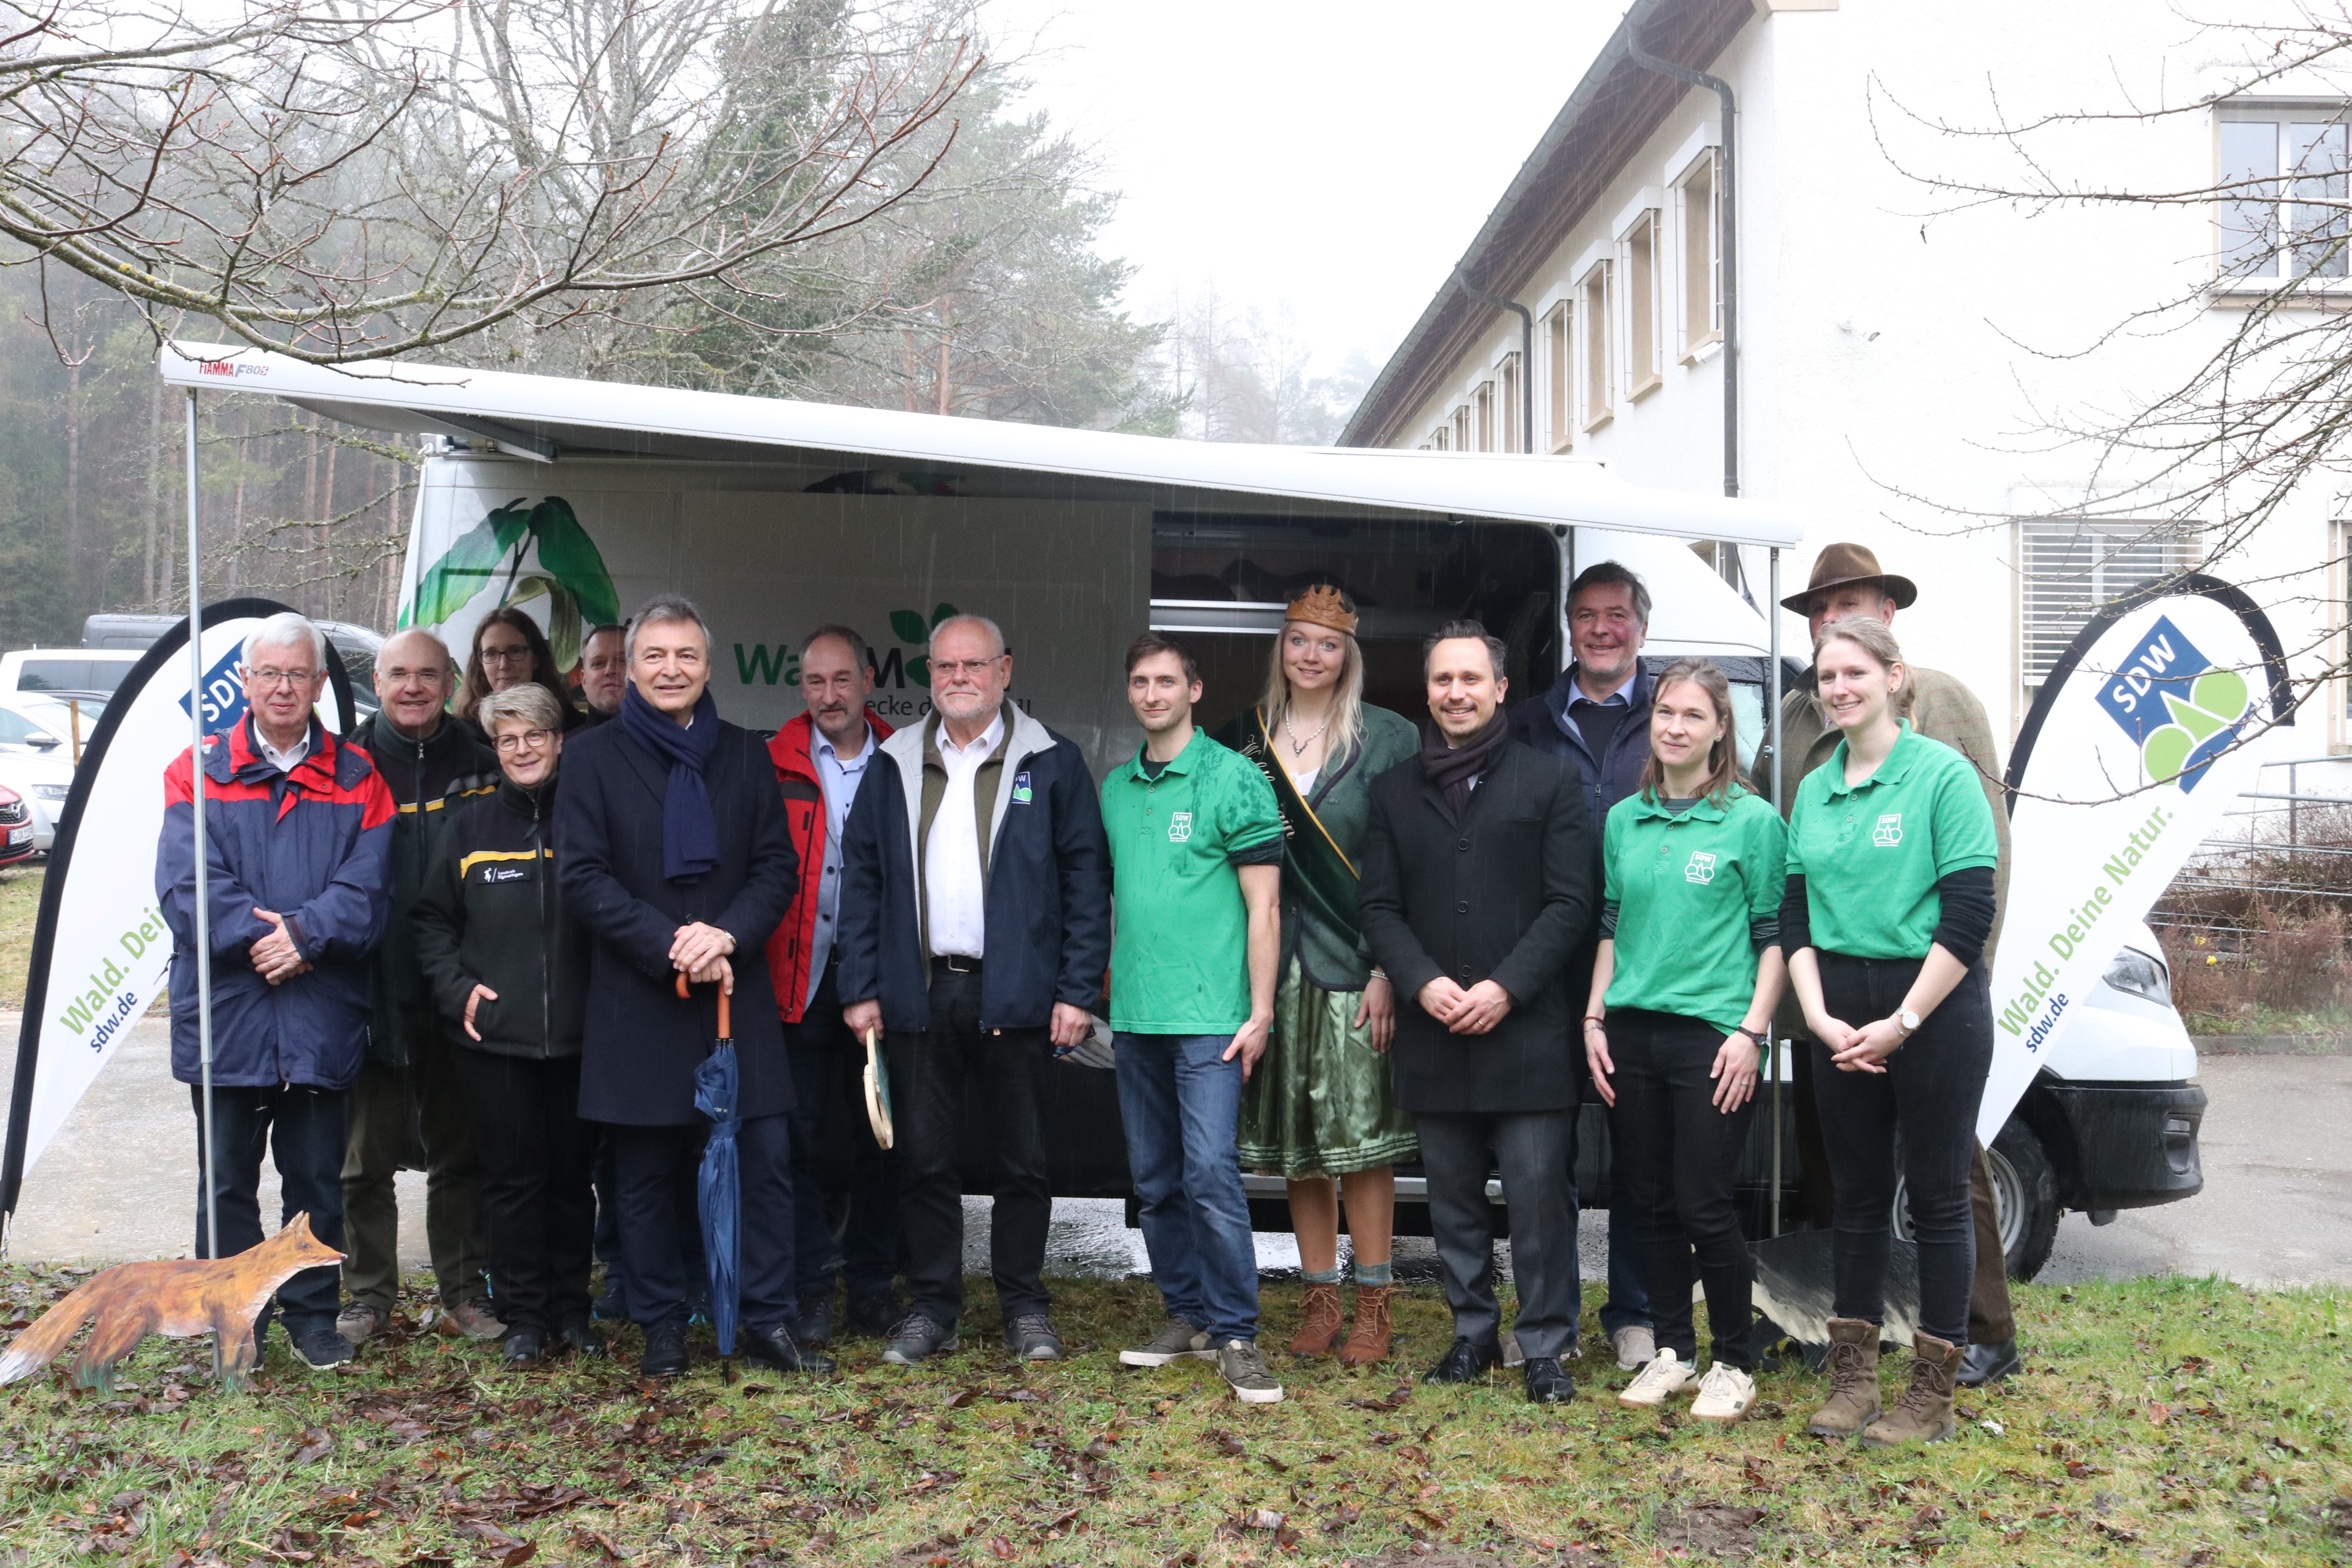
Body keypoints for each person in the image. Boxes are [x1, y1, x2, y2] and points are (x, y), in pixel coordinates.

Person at [554, 593, 824, 1379]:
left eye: (686, 656)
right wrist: (671, 943)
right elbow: (583, 877)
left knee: (766, 1159)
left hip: (736, 994)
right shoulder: (592, 757)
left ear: (709, 666)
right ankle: (663, 1325)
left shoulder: (746, 753)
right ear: (630, 666)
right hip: (638, 994)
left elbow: (777, 866)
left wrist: (726, 933)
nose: (671, 669)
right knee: (643, 1175)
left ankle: (768, 1317)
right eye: (654, 656)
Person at [1772, 542, 2021, 1388]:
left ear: (1890, 623)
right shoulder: (1798, 715)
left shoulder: (1947, 701)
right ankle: (1846, 1333)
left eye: (1855, 605)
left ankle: (1979, 1330)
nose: (1836, 625)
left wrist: (1953, 975)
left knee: (1949, 1175)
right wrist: (1810, 1000)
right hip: (1838, 990)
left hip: (1931, 984)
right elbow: (1794, 859)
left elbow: (1982, 851)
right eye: (1820, 611)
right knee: (1844, 1175)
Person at [836, 613, 1111, 1367]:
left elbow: (1088, 882)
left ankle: (1024, 1308)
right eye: (945, 667)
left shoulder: (1051, 761)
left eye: (974, 665)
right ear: (930, 675)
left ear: (1005, 670)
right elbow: (861, 880)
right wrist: (860, 986)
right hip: (920, 995)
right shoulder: (894, 761)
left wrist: (1078, 992)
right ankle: (934, 1309)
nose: (959, 678)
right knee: (925, 1162)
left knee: (1023, 1162)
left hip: (1019, 996)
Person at [1360, 620, 1594, 1405]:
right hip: (1435, 1030)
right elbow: (1381, 906)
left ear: (1501, 688)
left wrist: (1506, 987)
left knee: (1537, 1202)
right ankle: (1471, 1333)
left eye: (1470, 679)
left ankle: (1546, 1344)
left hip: (1526, 1031)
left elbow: (1572, 904)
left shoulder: (1552, 782)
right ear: (1426, 691)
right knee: (1454, 1202)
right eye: (1441, 680)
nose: (1455, 693)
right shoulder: (1393, 791)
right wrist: (1420, 981)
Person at [157, 611, 394, 1370]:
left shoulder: (361, 778)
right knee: (226, 1178)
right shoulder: (193, 770)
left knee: (316, 1177)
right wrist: (265, 939)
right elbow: (185, 885)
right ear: (247, 682)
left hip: (321, 1013)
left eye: (299, 674)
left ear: (322, 684)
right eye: (270, 673)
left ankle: (313, 1317)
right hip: (231, 1014)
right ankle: (231, 1322)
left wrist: (308, 937)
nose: (284, 686)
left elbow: (370, 888)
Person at [1215, 588, 1419, 1366]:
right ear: (1281, 647)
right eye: (1298, 640)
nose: (1311, 655)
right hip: (1274, 967)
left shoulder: (1391, 737)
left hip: (1355, 964)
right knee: (1300, 1145)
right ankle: (1319, 1298)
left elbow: (1404, 860)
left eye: (1327, 644)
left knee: (1362, 1144)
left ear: (1348, 655)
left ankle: (1374, 1304)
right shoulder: (1243, 739)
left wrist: (1386, 967)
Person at [1584, 658, 1785, 1423]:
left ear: (1720, 728)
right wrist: (1594, 1017)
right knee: (1650, 1201)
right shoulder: (1624, 820)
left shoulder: (1752, 820)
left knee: (1704, 1203)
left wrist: (1750, 1032)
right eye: (1666, 712)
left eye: (1693, 715)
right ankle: (1673, 1349)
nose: (1674, 726)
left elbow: (1773, 938)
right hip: (1632, 1033)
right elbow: (1610, 927)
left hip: (1714, 1037)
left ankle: (1735, 1359)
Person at [1105, 633, 1286, 1403]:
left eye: (1167, 681)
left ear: (1195, 690)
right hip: (1137, 1014)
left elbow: (1265, 904)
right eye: (1141, 681)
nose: (1153, 694)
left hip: (1213, 1014)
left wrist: (1263, 1009)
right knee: (1155, 1178)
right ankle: (1187, 1315)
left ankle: (1238, 1332)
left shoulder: (1234, 778)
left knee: (1211, 1171)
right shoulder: (1115, 787)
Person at [413, 683, 603, 1367]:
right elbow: (432, 922)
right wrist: (457, 990)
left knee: (571, 1183)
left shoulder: (589, 821)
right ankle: (524, 1317)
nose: (521, 750)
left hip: (583, 1039)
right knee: (512, 1183)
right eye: (507, 740)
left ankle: (573, 1311)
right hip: (497, 1041)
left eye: (534, 737)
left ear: (558, 742)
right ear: (495, 749)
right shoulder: (468, 828)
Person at [1506, 561, 1657, 1370]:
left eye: (1618, 615)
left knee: (1639, 1148)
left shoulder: (1675, 716)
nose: (1603, 628)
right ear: (1570, 625)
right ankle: (1548, 1316)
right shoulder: (1527, 721)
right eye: (1587, 615)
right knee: (1544, 1153)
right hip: (1549, 965)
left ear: (1643, 626)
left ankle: (1632, 1311)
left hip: (1646, 965)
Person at [340, 628, 503, 1348]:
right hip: (365, 988)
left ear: (449, 683)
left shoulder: (482, 762)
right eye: (399, 674)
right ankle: (368, 1297)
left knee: (461, 1153)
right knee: (362, 1161)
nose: (413, 687)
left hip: (457, 990)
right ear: (377, 682)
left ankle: (463, 1293)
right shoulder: (344, 764)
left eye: (427, 675)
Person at [765, 625, 902, 1345]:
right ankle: (812, 1286)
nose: (828, 696)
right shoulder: (773, 760)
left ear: (869, 679)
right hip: (801, 978)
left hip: (883, 978)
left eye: (842, 680)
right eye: (815, 683)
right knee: (803, 1141)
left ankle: (874, 1288)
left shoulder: (904, 760)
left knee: (882, 1138)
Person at [458, 607, 583, 734]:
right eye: (491, 654)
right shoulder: (462, 736)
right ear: (480, 663)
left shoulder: (573, 728)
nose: (503, 665)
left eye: (515, 651)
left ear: (536, 659)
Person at [576, 623, 628, 726]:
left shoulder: (665, 739)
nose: (610, 670)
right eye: (598, 663)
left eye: (622, 661)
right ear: (584, 680)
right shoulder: (566, 741)